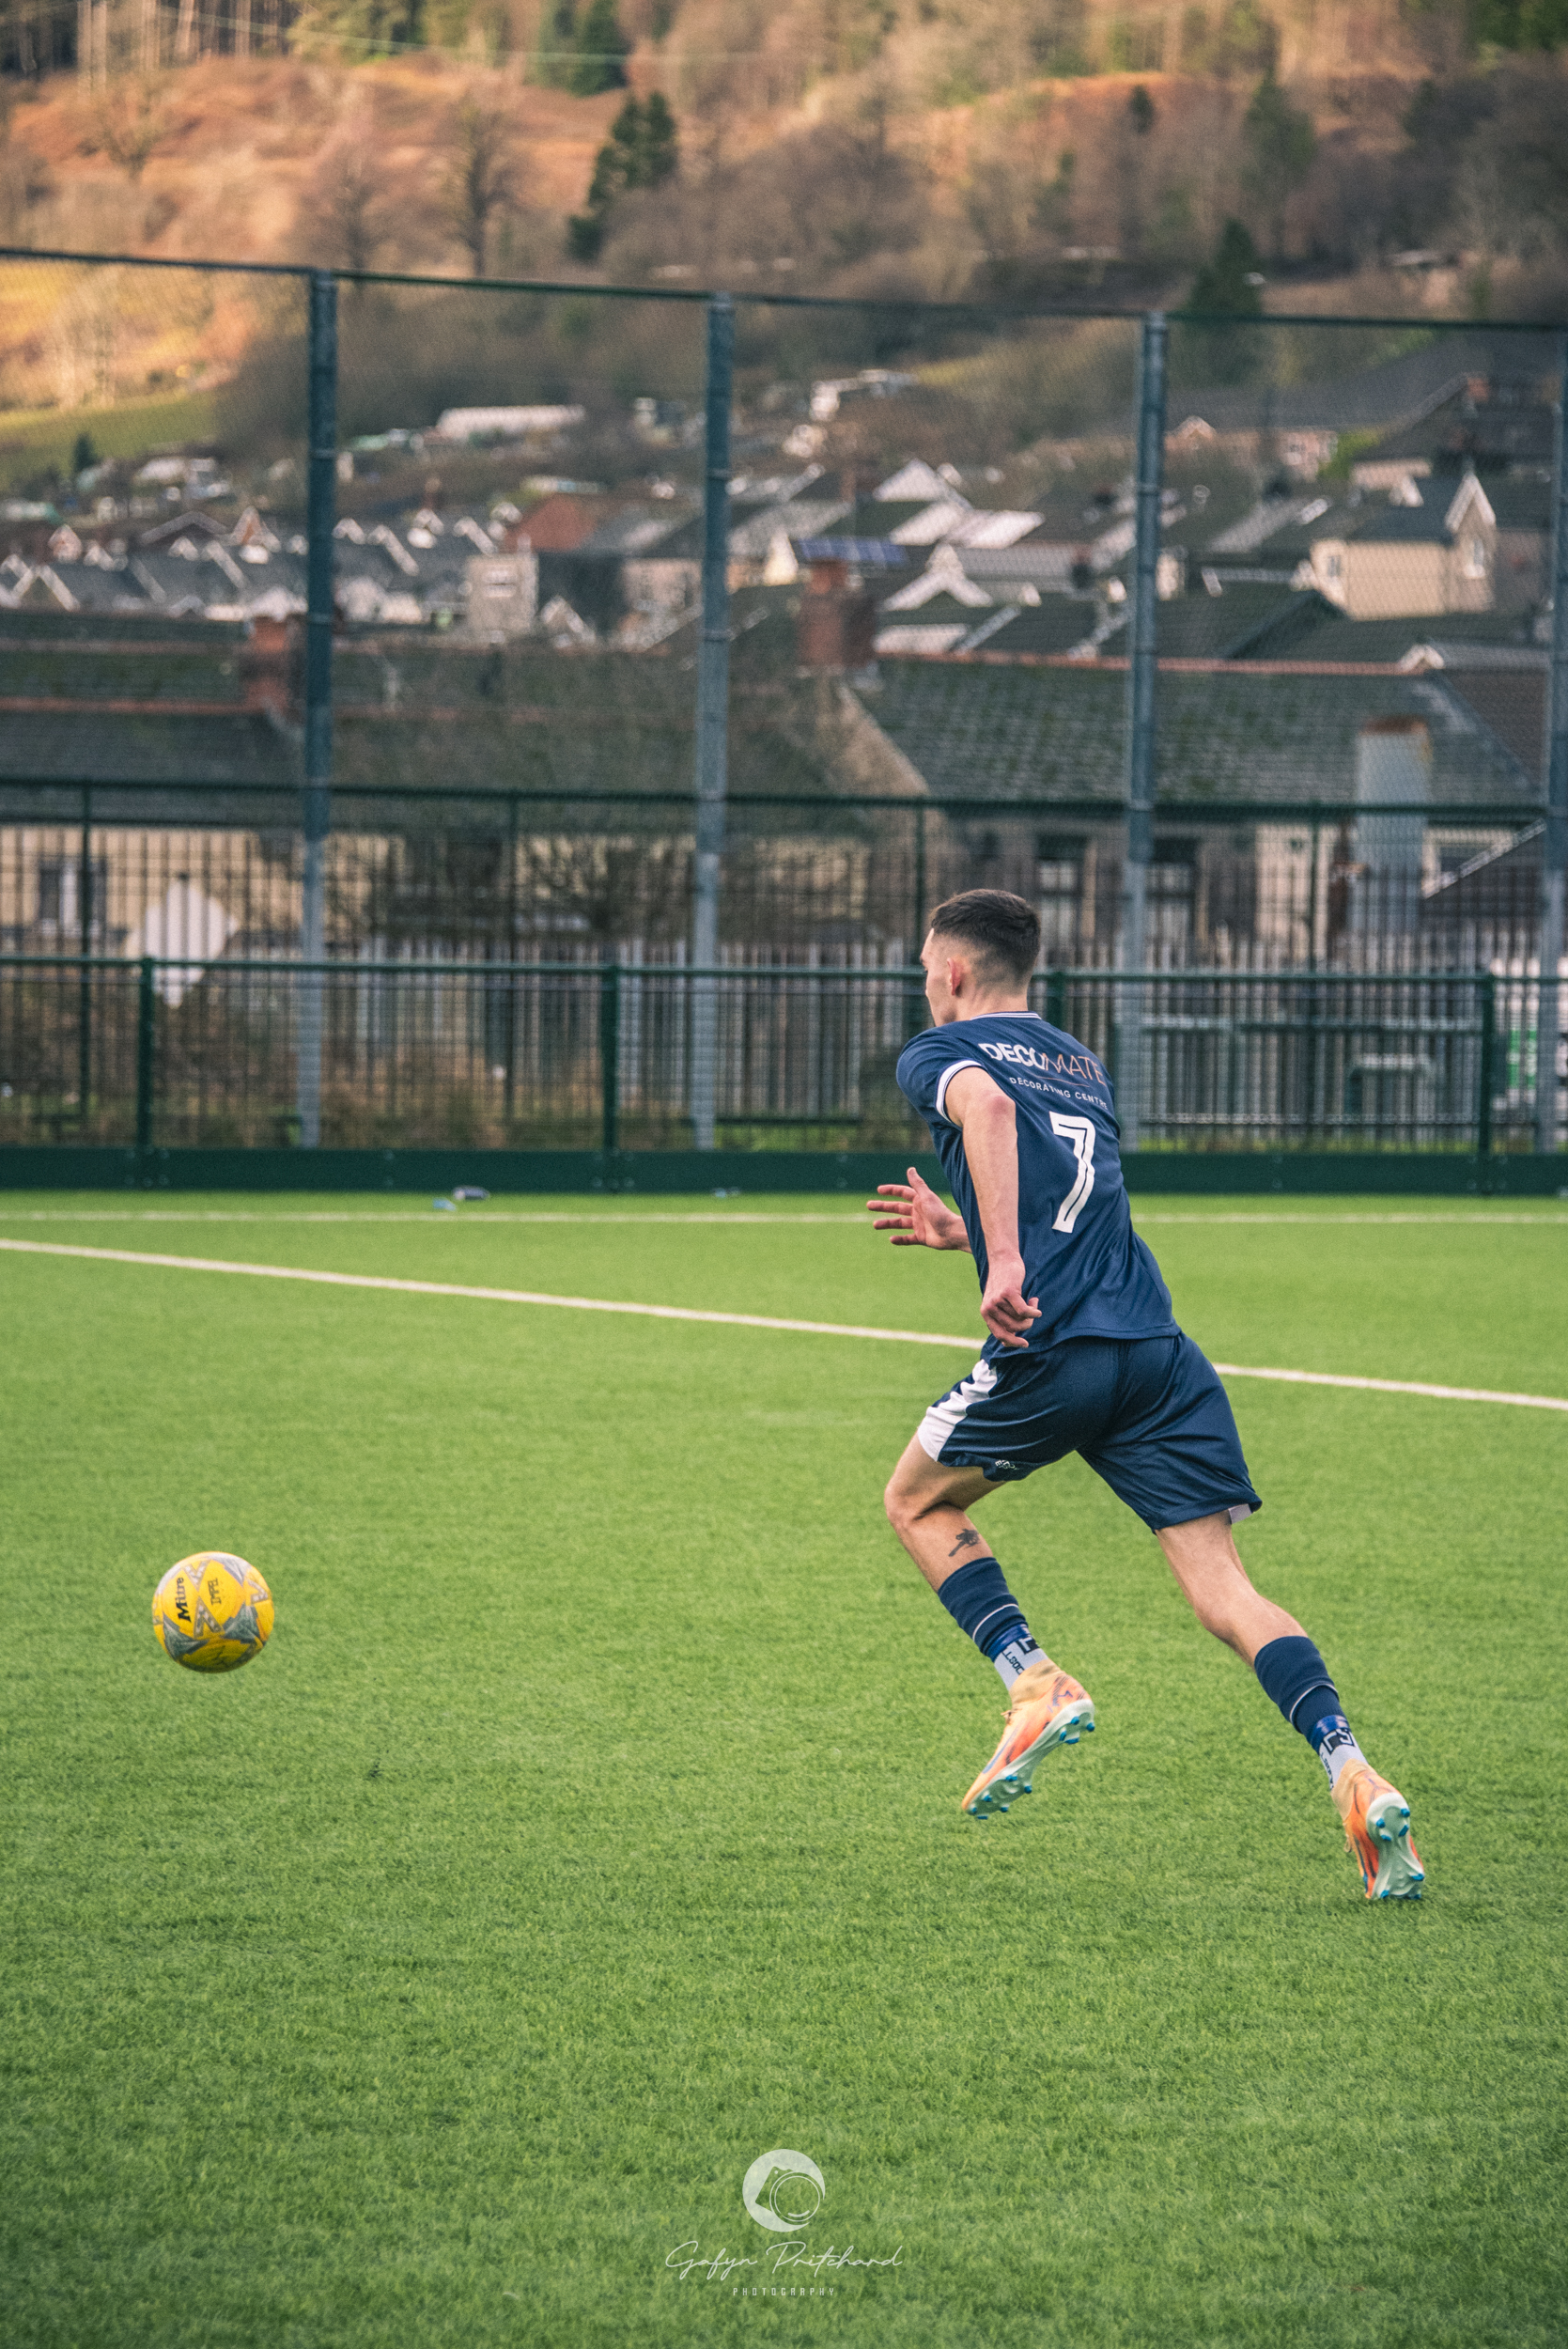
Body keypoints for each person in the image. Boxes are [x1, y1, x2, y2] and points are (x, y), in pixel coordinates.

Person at [865, 888, 1422, 1900]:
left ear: (950, 973)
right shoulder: (1080, 1060)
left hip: (1057, 1347)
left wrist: (998, 1264)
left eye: (923, 969)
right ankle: (1352, 1768)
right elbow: (1063, 1184)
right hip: (1157, 1352)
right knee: (1225, 1593)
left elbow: (988, 1112)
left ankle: (1033, 1678)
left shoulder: (936, 1052)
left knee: (914, 1500)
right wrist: (969, 1233)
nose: (924, 986)